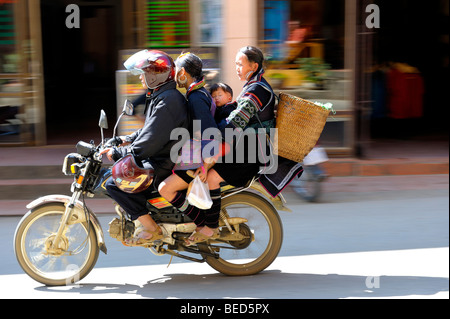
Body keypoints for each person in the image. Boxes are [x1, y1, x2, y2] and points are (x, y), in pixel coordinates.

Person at [181, 46, 277, 245]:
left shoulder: (258, 89)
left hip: (253, 153)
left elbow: (237, 120)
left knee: (212, 178)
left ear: (254, 65)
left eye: (240, 64)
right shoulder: (253, 85)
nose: (237, 68)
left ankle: (210, 227)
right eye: (235, 64)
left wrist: (214, 136)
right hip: (246, 147)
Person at [100, 49, 189, 246]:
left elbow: (150, 142)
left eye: (144, 74)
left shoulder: (168, 101)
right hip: (163, 155)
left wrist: (118, 153)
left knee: (114, 184)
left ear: (155, 76)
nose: (141, 79)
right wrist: (125, 139)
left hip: (164, 161)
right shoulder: (161, 96)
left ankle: (151, 227)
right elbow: (150, 131)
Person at [158, 52, 220, 239]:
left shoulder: (195, 97)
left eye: (175, 69)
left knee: (165, 189)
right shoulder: (198, 92)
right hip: (193, 155)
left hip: (197, 159)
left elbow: (210, 132)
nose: (173, 74)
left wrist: (206, 165)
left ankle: (200, 222)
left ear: (183, 72)